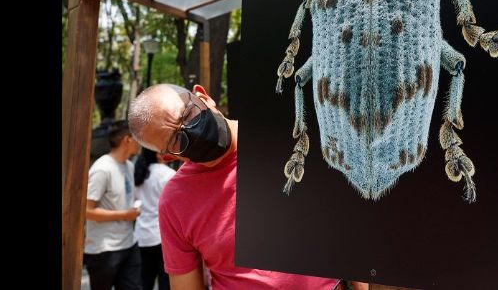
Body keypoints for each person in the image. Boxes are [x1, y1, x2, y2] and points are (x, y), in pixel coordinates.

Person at [127, 83, 342, 289]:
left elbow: (351, 230)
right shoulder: (175, 201)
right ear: (166, 156)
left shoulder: (288, 138)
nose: (190, 130)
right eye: (176, 139)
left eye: (187, 114)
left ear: (204, 97)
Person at [83, 121, 143, 290]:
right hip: (104, 249)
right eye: (137, 138)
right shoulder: (102, 169)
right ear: (127, 140)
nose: (140, 142)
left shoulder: (129, 166)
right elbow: (87, 211)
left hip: (129, 243)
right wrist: (125, 215)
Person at [134, 146, 176, 290]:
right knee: (165, 281)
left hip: (142, 236)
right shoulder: (169, 174)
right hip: (162, 236)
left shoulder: (139, 173)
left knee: (145, 281)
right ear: (158, 154)